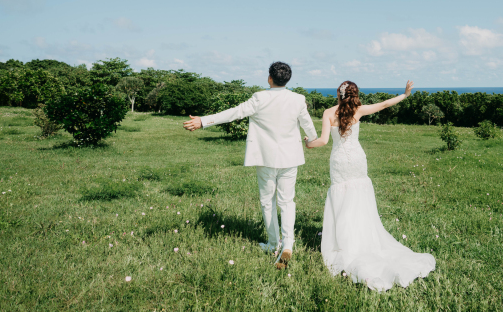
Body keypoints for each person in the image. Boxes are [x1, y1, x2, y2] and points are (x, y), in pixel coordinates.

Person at [184, 61, 318, 269]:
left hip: (265, 158)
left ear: (269, 78)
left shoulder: (259, 98)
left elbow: (234, 113)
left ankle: (274, 243)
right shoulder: (298, 99)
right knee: (287, 201)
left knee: (268, 201)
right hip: (290, 158)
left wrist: (203, 121)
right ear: (287, 79)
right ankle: (288, 244)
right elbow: (308, 125)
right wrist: (311, 138)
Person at [305, 80, 435, 291]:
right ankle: (362, 235)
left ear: (338, 94)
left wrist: (307, 143)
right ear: (354, 95)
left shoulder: (329, 113)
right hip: (357, 160)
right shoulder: (359, 110)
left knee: (342, 199)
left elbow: (322, 141)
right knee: (359, 198)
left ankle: (345, 241)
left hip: (339, 161)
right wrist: (404, 95)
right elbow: (384, 104)